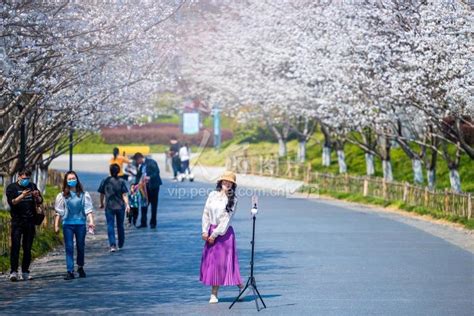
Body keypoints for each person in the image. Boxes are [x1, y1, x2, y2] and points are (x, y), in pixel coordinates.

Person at [200, 171, 243, 304]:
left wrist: (214, 234)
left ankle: (215, 294)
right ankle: (239, 286)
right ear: (220, 182)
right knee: (212, 264)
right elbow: (206, 213)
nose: (226, 183)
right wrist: (204, 231)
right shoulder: (212, 195)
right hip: (210, 231)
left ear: (232, 185)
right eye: (225, 181)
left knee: (222, 264)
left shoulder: (233, 199)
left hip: (223, 235)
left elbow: (226, 220)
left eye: (229, 182)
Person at [54, 171, 95, 280]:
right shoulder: (62, 195)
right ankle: (70, 271)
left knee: (80, 246)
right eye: (69, 179)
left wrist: (91, 221)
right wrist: (56, 225)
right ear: (66, 181)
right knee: (69, 247)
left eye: (73, 178)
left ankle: (80, 266)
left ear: (77, 179)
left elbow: (88, 209)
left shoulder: (83, 194)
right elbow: (59, 211)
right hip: (68, 224)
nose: (72, 180)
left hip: (81, 224)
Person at [6, 168, 43, 282]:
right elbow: (12, 202)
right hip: (17, 222)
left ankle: (25, 271)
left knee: (27, 248)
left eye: (28, 178)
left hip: (30, 221)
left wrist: (37, 196)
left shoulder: (32, 186)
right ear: (19, 177)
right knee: (15, 247)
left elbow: (40, 201)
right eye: (24, 178)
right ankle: (13, 271)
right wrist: (22, 195)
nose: (26, 180)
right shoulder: (12, 187)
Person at [98, 164, 130, 252]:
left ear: (110, 171)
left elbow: (101, 194)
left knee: (110, 225)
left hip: (109, 207)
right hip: (120, 207)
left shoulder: (106, 180)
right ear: (119, 171)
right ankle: (121, 243)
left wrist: (101, 203)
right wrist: (127, 204)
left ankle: (112, 245)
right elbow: (124, 194)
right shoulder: (121, 181)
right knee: (120, 225)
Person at [133, 152, 162, 229]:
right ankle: (143, 223)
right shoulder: (142, 165)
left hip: (153, 186)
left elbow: (157, 172)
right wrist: (135, 185)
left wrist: (149, 177)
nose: (136, 162)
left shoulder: (151, 162)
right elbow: (138, 175)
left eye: (136, 161)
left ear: (139, 158)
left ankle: (153, 223)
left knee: (153, 205)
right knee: (144, 204)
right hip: (144, 188)